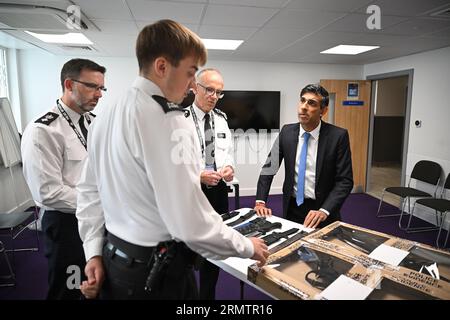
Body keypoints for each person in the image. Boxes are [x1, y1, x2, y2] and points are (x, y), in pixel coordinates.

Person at [76, 19, 269, 300]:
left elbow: (89, 190)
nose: (193, 85)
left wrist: (93, 251)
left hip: (114, 258)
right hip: (157, 273)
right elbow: (189, 221)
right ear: (162, 66)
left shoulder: (108, 111)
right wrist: (246, 247)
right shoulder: (169, 120)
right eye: (190, 73)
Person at [21, 58, 106, 299]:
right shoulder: (44, 130)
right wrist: (100, 201)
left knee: (93, 287)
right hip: (65, 225)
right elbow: (47, 193)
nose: (99, 94)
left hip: (95, 220)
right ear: (69, 84)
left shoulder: (94, 123)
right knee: (68, 291)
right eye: (92, 86)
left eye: (102, 88)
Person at [254, 84, 353, 229]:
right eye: (302, 100)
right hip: (292, 207)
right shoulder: (286, 132)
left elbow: (345, 181)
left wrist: (324, 210)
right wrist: (260, 201)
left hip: (322, 210)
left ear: (323, 110)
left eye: (311, 103)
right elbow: (269, 168)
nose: (304, 107)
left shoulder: (338, 136)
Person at [187, 68, 234, 300]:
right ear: (195, 87)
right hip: (189, 194)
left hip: (218, 194)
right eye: (210, 90)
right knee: (186, 250)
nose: (214, 96)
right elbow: (170, 166)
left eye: (219, 92)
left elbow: (229, 155)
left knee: (214, 250)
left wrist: (230, 169)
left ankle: (207, 298)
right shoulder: (178, 119)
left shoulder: (222, 120)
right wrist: (198, 175)